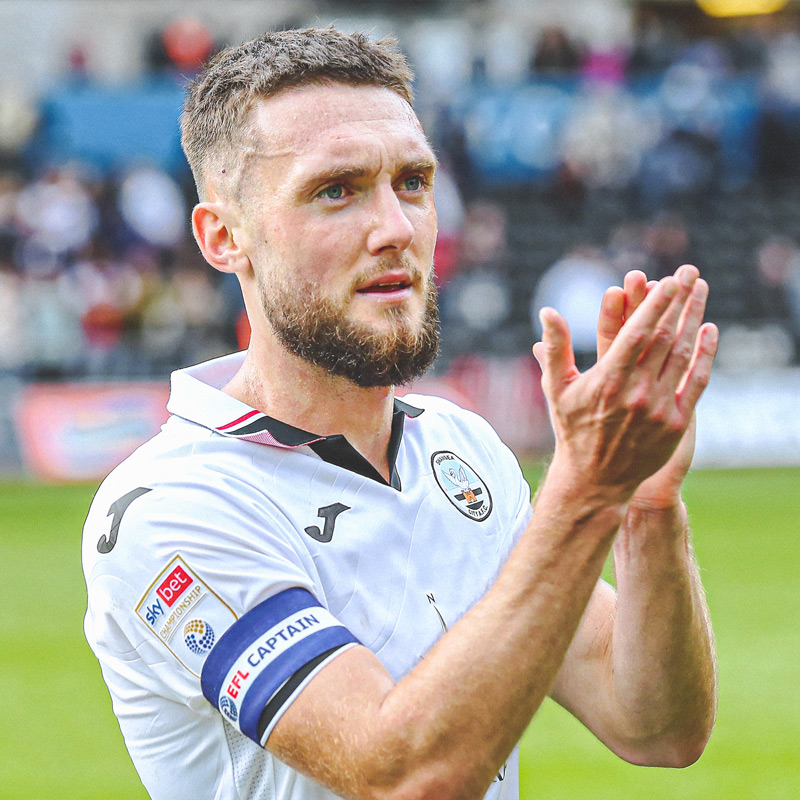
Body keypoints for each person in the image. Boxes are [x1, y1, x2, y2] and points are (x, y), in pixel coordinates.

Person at [82, 28, 719, 800]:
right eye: (336, 190)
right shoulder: (172, 507)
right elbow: (408, 776)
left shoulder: (463, 448)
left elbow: (655, 727)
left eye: (412, 183)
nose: (395, 230)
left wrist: (645, 504)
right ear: (225, 237)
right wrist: (583, 493)